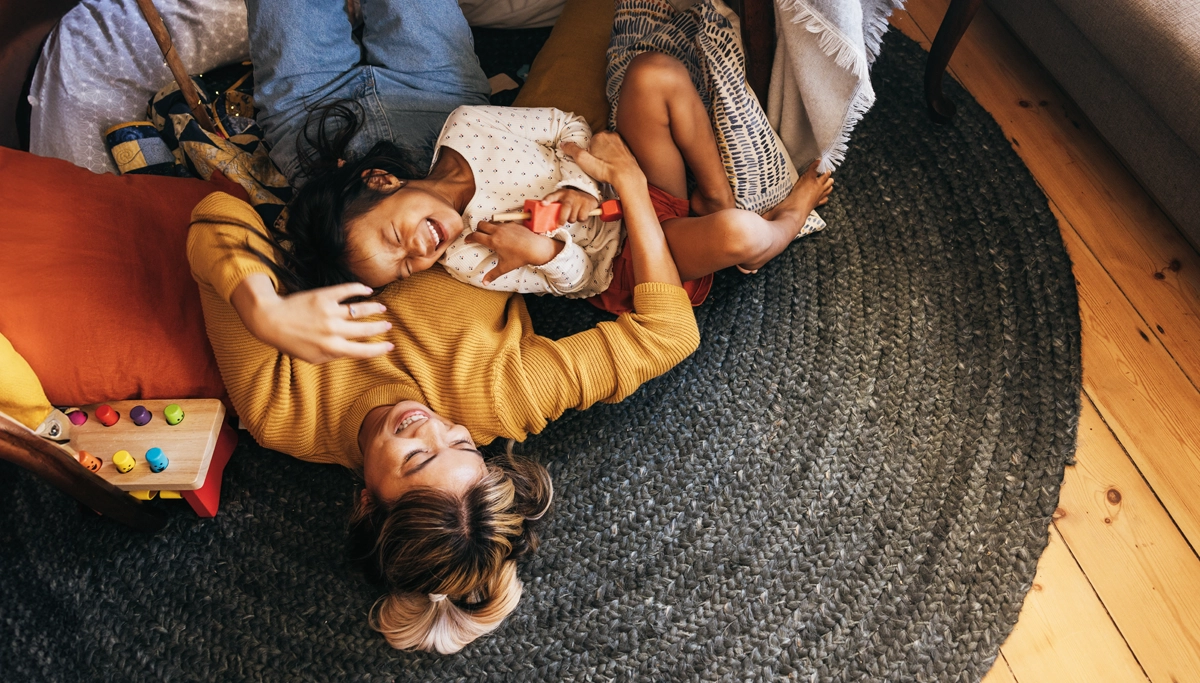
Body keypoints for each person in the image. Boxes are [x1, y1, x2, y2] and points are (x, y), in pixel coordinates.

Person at [189, 125, 700, 655]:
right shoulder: (502, 396)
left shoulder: (283, 412)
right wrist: (632, 185)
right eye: (460, 445)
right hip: (514, 147)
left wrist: (263, 312)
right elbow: (669, 334)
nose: (429, 424)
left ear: (367, 503)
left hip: (348, 178)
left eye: (414, 457)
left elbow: (216, 215)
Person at [242, 7, 832, 351]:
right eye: (404, 271)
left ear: (380, 181)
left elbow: (562, 126)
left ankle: (714, 190)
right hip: (625, 249)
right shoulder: (472, 255)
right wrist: (545, 249)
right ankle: (779, 227)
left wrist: (582, 179)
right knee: (737, 235)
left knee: (657, 74)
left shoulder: (466, 125)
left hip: (618, 188)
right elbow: (576, 279)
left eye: (395, 241)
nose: (418, 256)